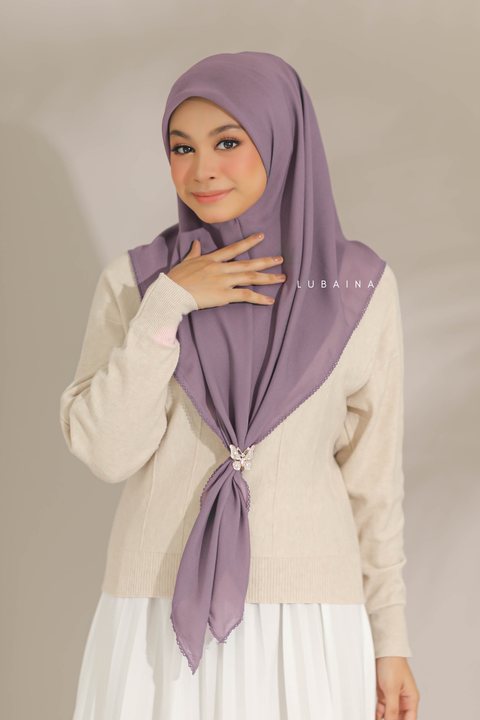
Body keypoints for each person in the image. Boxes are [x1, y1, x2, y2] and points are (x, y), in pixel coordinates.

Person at [60, 51, 420, 720]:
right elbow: (108, 452)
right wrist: (168, 305)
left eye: (228, 142)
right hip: (156, 614)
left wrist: (390, 641)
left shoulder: (355, 288)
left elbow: (374, 484)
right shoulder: (137, 283)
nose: (202, 169)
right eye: (182, 147)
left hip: (309, 620)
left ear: (283, 141)